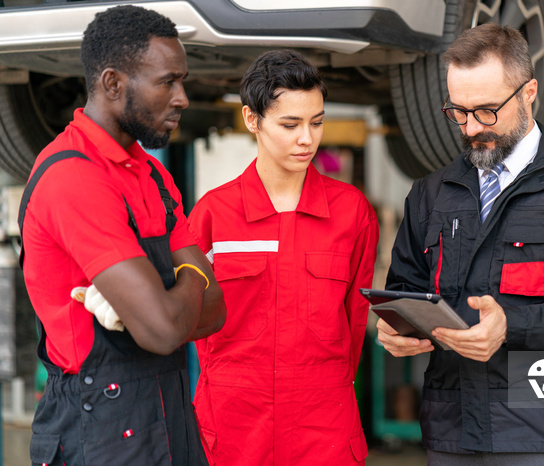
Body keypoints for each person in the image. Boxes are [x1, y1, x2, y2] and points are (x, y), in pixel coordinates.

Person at [376, 23, 544, 465]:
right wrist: (399, 331)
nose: (471, 127)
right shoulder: (430, 194)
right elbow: (406, 292)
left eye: (486, 111)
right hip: (452, 433)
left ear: (529, 92)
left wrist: (512, 326)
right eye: (458, 112)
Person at [18, 5, 226, 465]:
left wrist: (170, 291)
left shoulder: (151, 175)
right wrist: (190, 273)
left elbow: (215, 313)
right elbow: (164, 329)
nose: (183, 98)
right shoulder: (73, 178)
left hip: (171, 414)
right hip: (99, 427)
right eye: (167, 81)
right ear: (113, 83)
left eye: (182, 80)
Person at [187, 49, 380, 465]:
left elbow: (355, 318)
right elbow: (192, 320)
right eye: (290, 124)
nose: (307, 139)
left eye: (317, 122)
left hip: (324, 425)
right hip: (234, 423)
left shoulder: (352, 213)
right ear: (252, 120)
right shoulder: (213, 216)